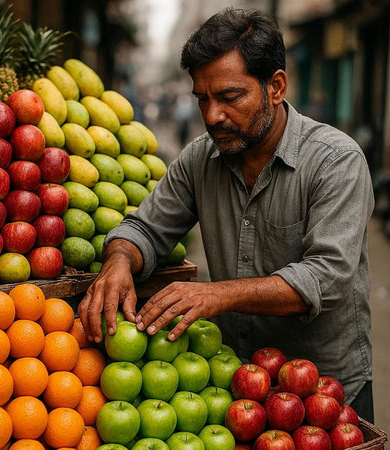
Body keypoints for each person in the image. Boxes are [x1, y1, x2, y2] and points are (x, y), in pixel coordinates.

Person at [78, 8, 375, 422]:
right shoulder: (201, 158)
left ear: (275, 86)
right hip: (234, 388)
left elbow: (327, 277)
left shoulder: (335, 161)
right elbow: (146, 226)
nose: (212, 115)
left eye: (230, 97)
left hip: (324, 394)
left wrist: (217, 293)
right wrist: (120, 259)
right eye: (202, 98)